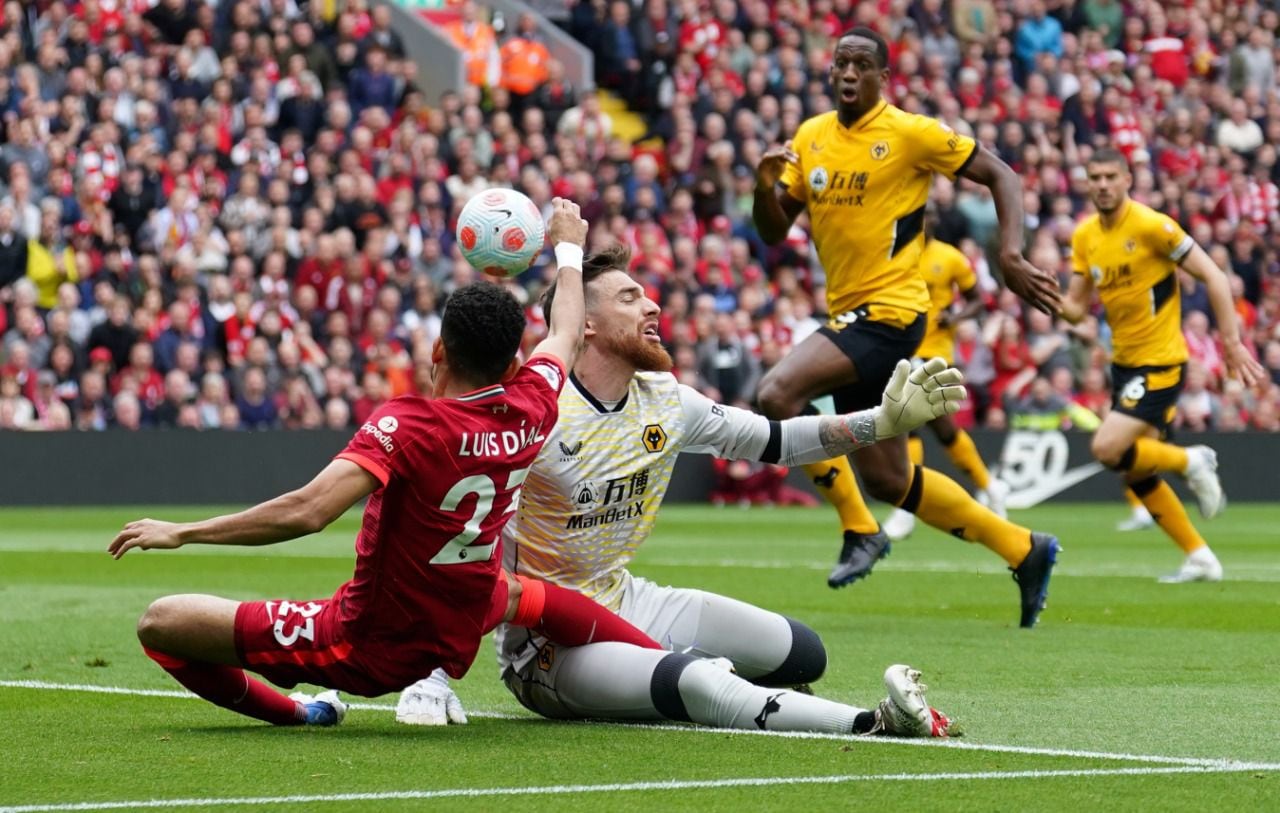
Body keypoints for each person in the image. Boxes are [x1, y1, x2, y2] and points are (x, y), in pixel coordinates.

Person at [107, 200, 661, 727]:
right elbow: (565, 333)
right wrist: (569, 251)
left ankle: (304, 712)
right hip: (468, 613)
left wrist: (182, 532)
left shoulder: (411, 425)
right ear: (516, 360)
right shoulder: (535, 401)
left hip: (370, 643)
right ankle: (664, 661)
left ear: (438, 352)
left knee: (161, 622)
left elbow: (308, 511)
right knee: (526, 595)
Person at [399, 245, 968, 737]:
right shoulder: (539, 413)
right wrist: (433, 671)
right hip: (546, 647)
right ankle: (874, 724)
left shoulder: (667, 399)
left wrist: (883, 423)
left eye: (646, 295)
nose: (652, 306)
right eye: (628, 298)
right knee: (693, 680)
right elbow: (465, 538)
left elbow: (778, 440)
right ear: (586, 324)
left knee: (802, 652)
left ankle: (700, 682)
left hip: (628, 598)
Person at [752, 27, 1062, 628]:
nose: (848, 72)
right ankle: (1025, 549)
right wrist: (764, 187)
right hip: (849, 315)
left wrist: (1010, 254)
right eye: (841, 62)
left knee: (775, 394)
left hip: (892, 311)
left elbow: (1004, 175)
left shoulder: (910, 133)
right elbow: (771, 229)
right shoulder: (810, 138)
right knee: (891, 479)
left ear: (882, 78)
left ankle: (859, 529)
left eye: (861, 64)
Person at [1059, 149, 1266, 583]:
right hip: (1124, 364)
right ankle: (1200, 557)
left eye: (1109, 176)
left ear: (1127, 178)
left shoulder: (1153, 226)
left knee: (1105, 448)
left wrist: (1231, 342)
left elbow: (1213, 275)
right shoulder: (1085, 236)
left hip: (1161, 363)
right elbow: (1075, 310)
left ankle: (1191, 459)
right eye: (1093, 176)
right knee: (1136, 471)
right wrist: (1035, 289)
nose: (1101, 184)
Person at [882, 212, 1009, 542]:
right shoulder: (895, 254)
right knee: (944, 431)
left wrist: (956, 317)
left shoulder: (951, 258)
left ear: (933, 221)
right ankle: (991, 486)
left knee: (907, 424)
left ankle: (905, 506)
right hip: (901, 350)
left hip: (936, 352)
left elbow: (978, 299)